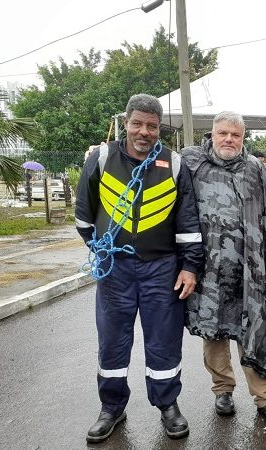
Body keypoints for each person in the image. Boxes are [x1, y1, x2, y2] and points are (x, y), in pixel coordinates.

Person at [75, 94, 204, 443]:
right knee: (113, 343)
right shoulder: (101, 159)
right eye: (137, 123)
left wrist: (189, 267)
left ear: (158, 127)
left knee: (164, 341)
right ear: (125, 123)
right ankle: (111, 408)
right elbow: (84, 217)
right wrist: (101, 252)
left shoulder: (174, 165)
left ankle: (168, 405)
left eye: (151, 125)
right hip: (114, 268)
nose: (144, 131)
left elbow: (188, 222)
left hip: (162, 268)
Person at [181, 111, 266, 427]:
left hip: (249, 271)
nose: (229, 139)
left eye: (236, 135)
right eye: (223, 133)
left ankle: (265, 397)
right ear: (212, 134)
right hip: (209, 271)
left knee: (253, 331)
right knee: (213, 332)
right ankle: (222, 390)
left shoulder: (256, 170)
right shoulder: (191, 165)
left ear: (243, 139)